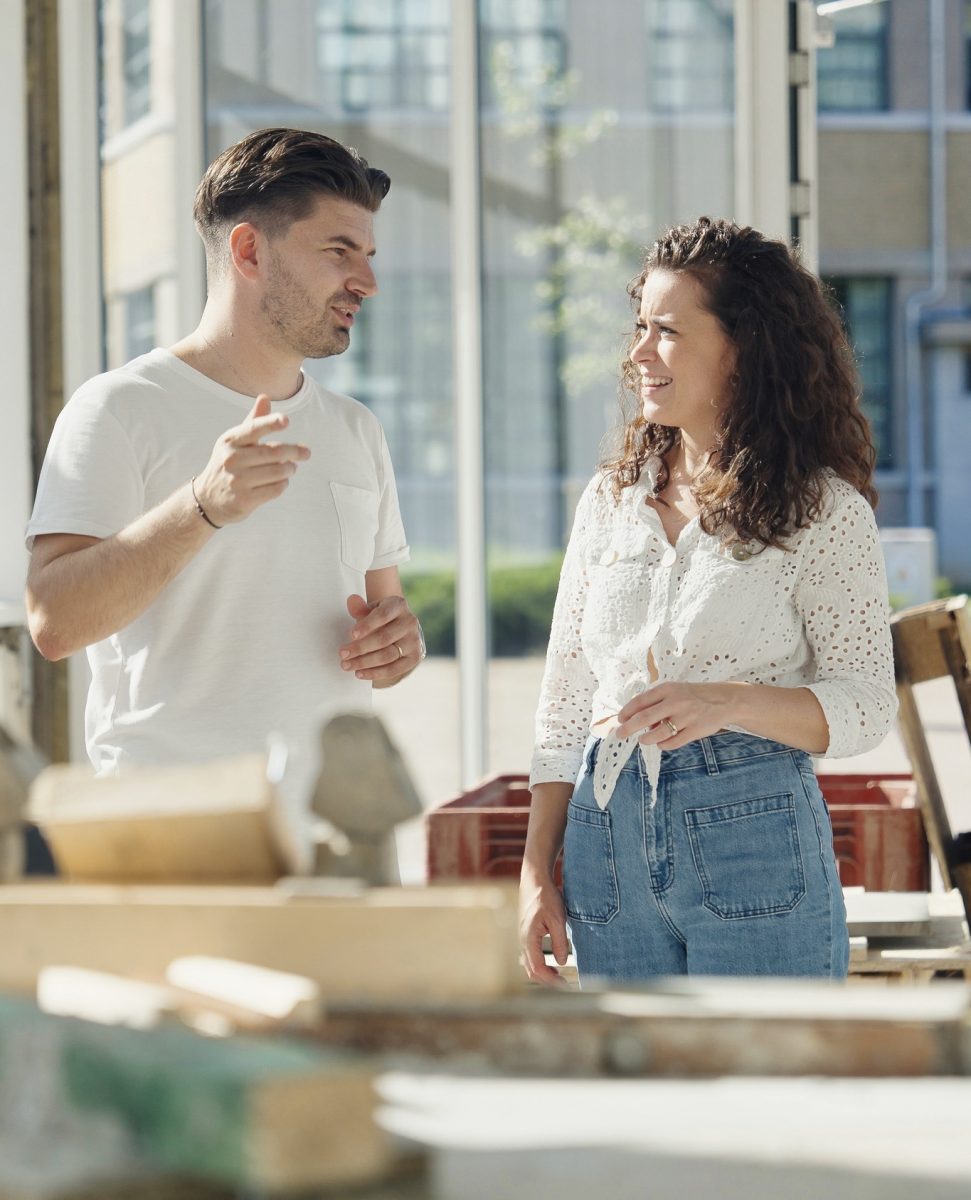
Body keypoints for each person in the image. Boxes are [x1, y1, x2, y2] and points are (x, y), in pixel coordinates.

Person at [25, 128, 424, 867]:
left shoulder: (354, 430)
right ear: (248, 251)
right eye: (339, 252)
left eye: (368, 255)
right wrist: (200, 507)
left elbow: (382, 617)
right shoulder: (117, 409)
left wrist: (399, 645)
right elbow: (54, 623)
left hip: (336, 844)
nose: (366, 281)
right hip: (169, 835)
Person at [520, 216, 897, 985]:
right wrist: (534, 872)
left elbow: (865, 706)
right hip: (604, 842)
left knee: (769, 1095)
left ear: (743, 346)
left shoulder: (822, 512)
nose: (637, 354)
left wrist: (726, 701)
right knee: (636, 1100)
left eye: (665, 332)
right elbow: (564, 698)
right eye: (637, 328)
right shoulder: (610, 500)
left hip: (753, 836)